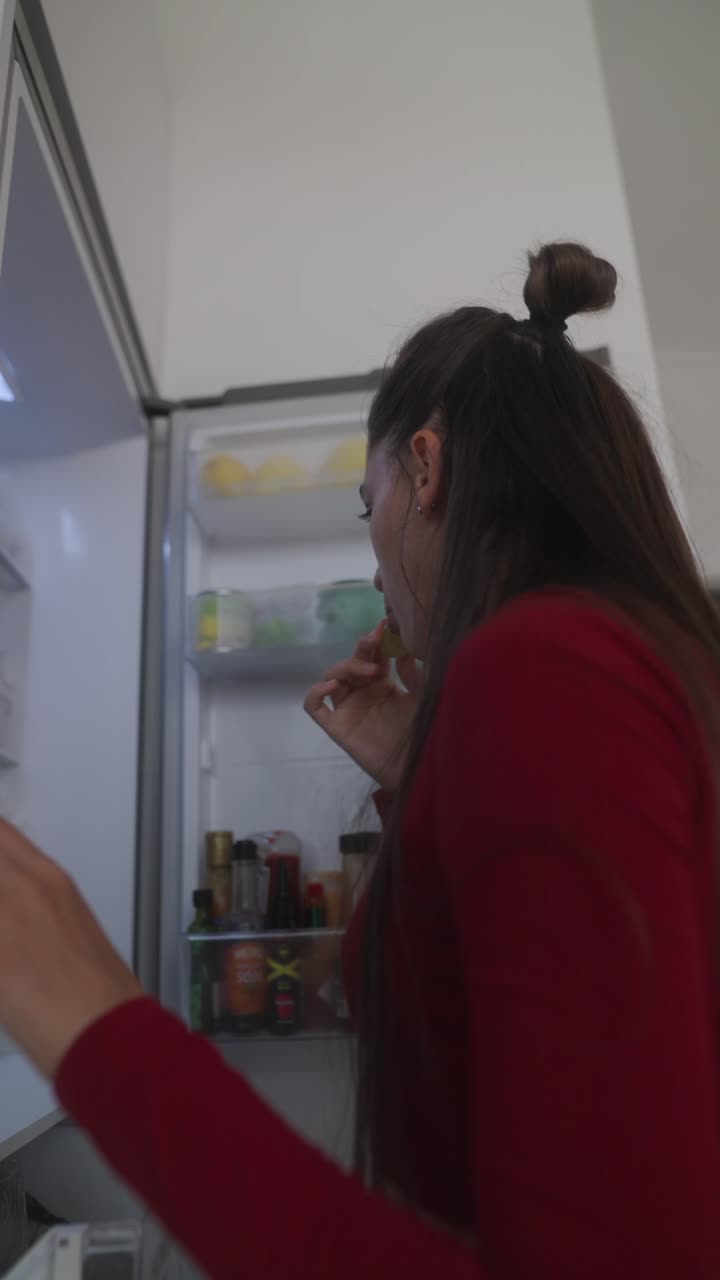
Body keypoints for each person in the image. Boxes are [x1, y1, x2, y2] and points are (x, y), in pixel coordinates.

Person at [0, 242, 719, 1278]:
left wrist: (94, 1023)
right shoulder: (618, 657)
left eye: (363, 504)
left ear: (424, 467)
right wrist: (426, 774)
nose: (370, 555)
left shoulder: (551, 665)